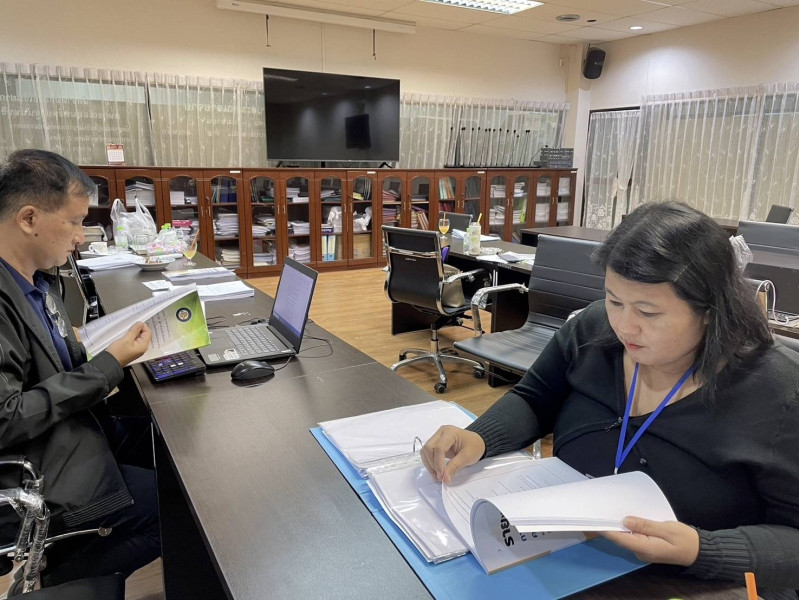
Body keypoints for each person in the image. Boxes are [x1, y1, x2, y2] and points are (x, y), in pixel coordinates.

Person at [422, 202, 799, 600]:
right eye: (615, 301)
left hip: (700, 582)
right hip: (572, 557)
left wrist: (700, 549)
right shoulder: (593, 328)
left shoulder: (777, 392)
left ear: (709, 309)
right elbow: (535, 399)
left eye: (648, 312)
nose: (624, 326)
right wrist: (481, 437)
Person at [0, 149, 160, 589]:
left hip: (69, 432)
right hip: (34, 468)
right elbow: (6, 418)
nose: (79, 237)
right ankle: (57, 582)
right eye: (74, 222)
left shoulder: (34, 279)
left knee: (166, 446)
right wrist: (109, 365)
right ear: (29, 219)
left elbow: (47, 359)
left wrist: (95, 345)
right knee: (171, 506)